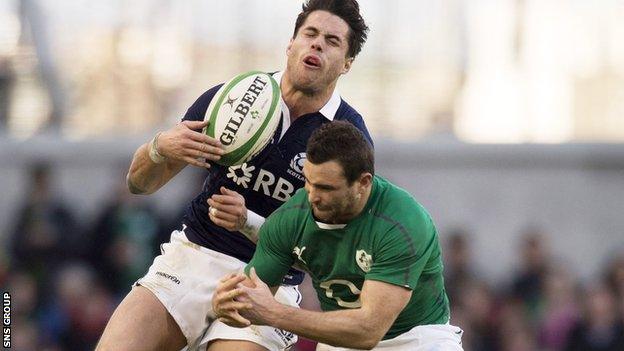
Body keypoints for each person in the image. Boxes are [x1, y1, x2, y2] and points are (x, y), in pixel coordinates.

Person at [96, 1, 372, 350]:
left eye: (332, 41)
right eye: (310, 34)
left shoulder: (349, 139)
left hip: (267, 282)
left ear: (347, 63)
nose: (317, 44)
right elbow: (137, 184)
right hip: (193, 256)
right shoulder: (236, 97)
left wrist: (248, 221)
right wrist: (160, 147)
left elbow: (329, 251)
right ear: (291, 44)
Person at [213, 121, 463, 351]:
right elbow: (246, 302)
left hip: (414, 338)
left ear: (363, 182)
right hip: (339, 342)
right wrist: (225, 303)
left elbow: (368, 331)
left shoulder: (402, 223)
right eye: (309, 182)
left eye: (325, 188)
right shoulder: (291, 218)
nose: (312, 196)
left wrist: (275, 313)